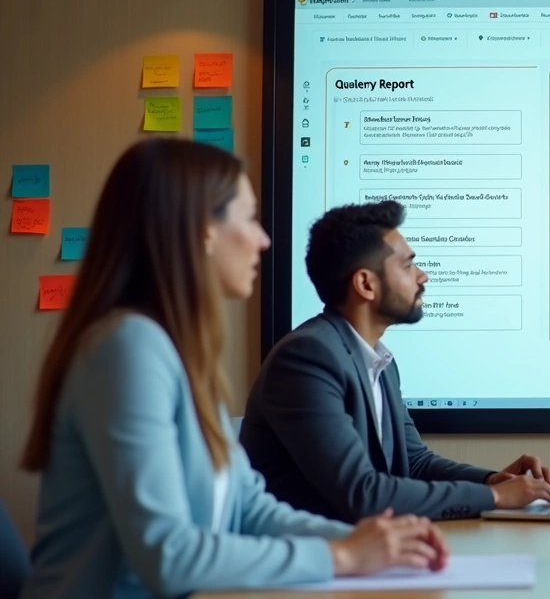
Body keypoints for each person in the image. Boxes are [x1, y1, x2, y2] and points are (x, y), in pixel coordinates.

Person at [18, 139, 448, 599]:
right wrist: (340, 557)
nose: (263, 239)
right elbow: (170, 555)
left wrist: (365, 541)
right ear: (202, 230)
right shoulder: (127, 347)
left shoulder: (177, 352)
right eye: (248, 217)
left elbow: (249, 509)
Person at [240, 200, 550, 524]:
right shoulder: (307, 359)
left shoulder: (379, 361)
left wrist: (491, 481)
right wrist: (493, 499)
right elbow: (363, 494)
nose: (423, 277)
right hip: (313, 561)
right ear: (366, 284)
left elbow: (414, 462)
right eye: (408, 266)